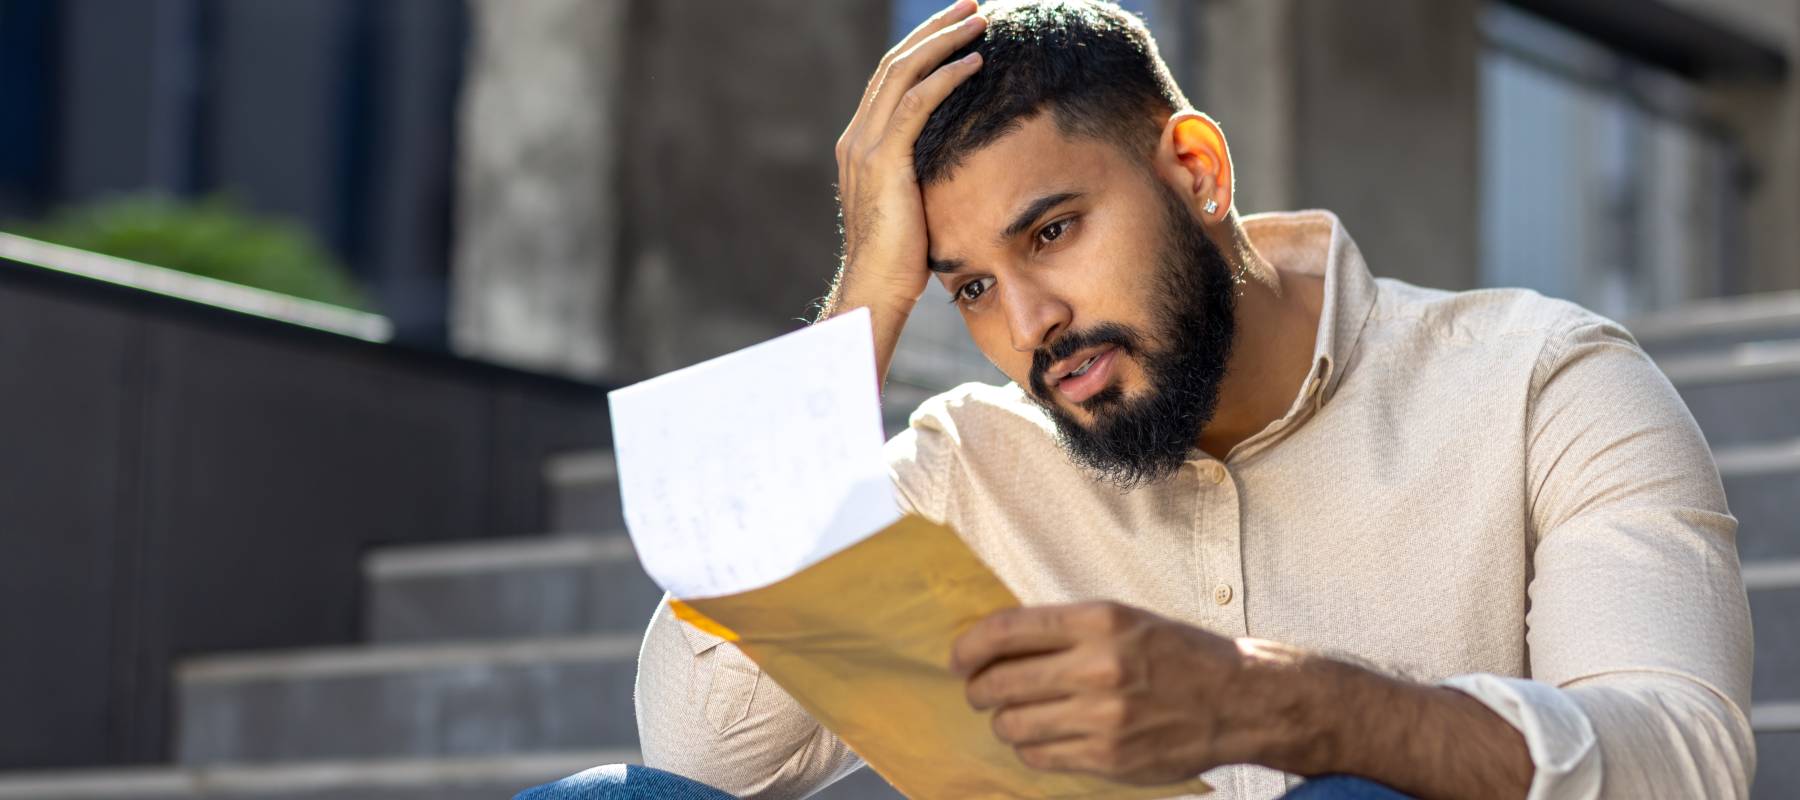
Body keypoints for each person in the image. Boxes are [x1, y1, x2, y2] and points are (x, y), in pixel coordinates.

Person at [520, 1, 1754, 797]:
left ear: (1197, 169)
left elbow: (1687, 760)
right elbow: (699, 752)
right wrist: (865, 303)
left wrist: (1290, 706)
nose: (1029, 325)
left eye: (1052, 230)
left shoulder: (1544, 384)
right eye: (967, 289)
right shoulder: (968, 459)